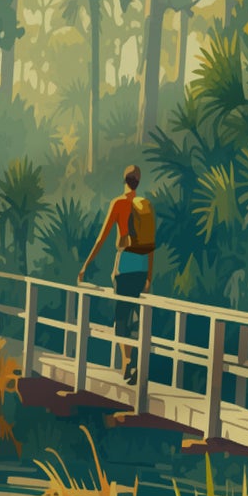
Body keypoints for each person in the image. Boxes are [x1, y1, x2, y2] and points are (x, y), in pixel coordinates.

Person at [78, 165, 155, 384]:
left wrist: (85, 266)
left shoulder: (119, 203)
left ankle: (127, 362)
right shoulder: (144, 206)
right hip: (142, 265)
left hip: (125, 265)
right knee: (137, 317)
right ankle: (135, 361)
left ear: (124, 179)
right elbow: (151, 245)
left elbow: (101, 238)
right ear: (138, 181)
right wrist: (149, 276)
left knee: (121, 316)